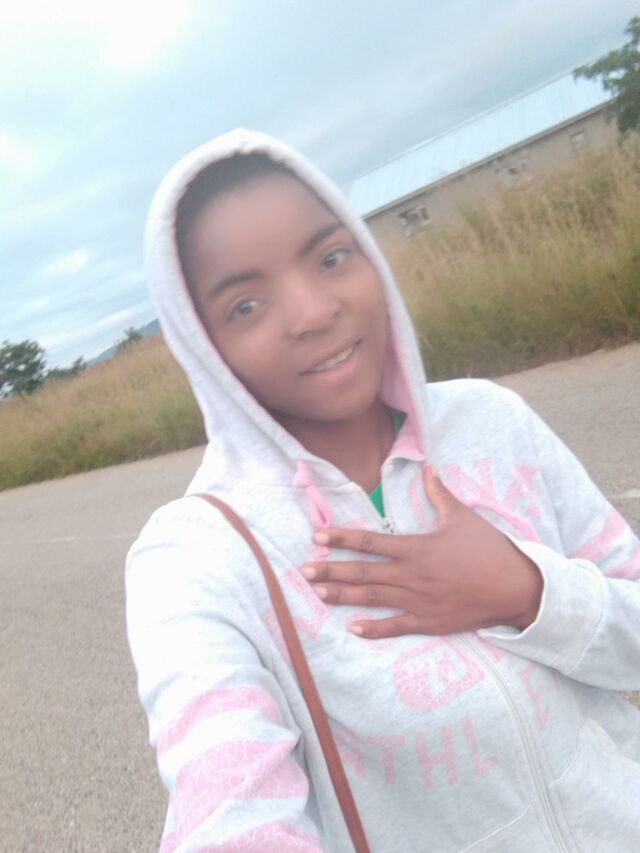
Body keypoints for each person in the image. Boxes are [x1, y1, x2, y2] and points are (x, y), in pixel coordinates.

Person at [126, 128, 640, 853]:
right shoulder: (196, 557)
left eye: (331, 257)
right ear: (202, 347)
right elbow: (226, 805)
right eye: (245, 305)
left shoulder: (493, 421)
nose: (313, 312)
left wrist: (527, 591)